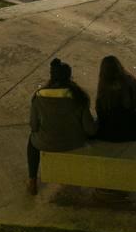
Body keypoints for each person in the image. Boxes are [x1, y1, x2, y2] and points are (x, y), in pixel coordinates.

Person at [27, 58, 97, 195]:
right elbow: (90, 129)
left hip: (45, 142)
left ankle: (32, 180)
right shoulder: (79, 97)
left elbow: (34, 126)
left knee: (31, 142)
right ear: (69, 76)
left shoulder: (39, 96)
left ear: (51, 76)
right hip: (73, 142)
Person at [94, 55, 136, 142]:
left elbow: (100, 110)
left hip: (111, 132)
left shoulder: (104, 87)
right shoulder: (130, 81)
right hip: (135, 129)